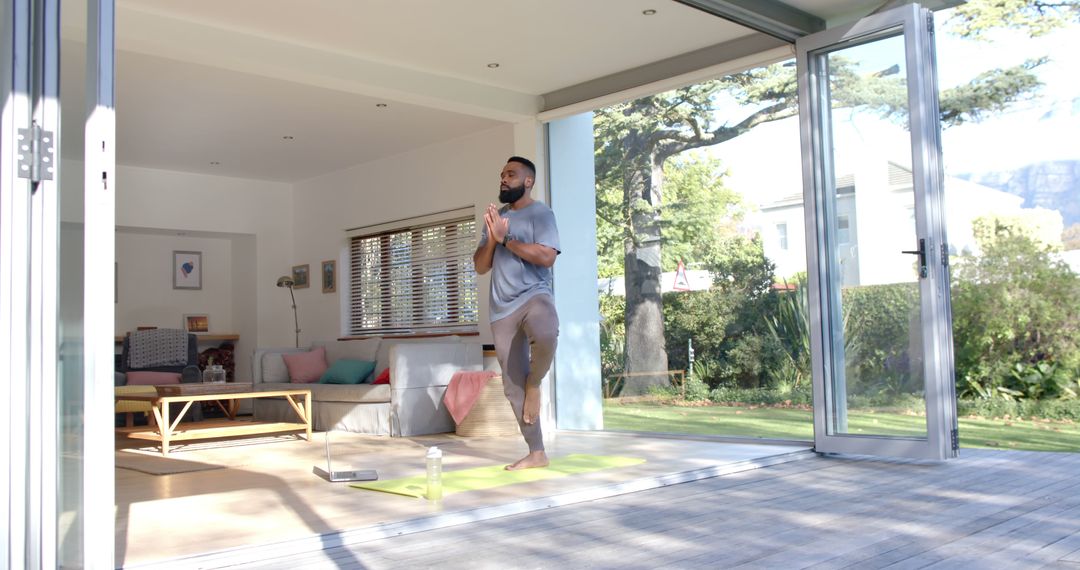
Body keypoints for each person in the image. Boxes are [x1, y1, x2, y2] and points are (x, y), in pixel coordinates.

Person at [473, 156, 560, 471]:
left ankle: (534, 382)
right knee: (512, 385)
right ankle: (537, 452)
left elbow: (547, 257)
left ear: (528, 181)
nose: (503, 179)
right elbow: (481, 266)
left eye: (511, 174)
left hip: (534, 296)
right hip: (501, 307)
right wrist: (494, 240)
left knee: (547, 332)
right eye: (501, 175)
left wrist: (507, 240)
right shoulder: (496, 219)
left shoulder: (542, 214)